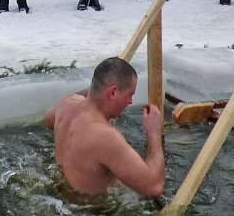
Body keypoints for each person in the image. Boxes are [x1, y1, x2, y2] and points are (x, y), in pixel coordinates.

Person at [42, 57, 165, 197]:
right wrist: (154, 132)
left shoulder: (66, 104)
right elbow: (154, 188)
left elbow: (47, 120)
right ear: (112, 92)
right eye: (129, 95)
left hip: (60, 198)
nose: (130, 102)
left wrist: (93, 93)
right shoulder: (105, 136)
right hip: (91, 214)